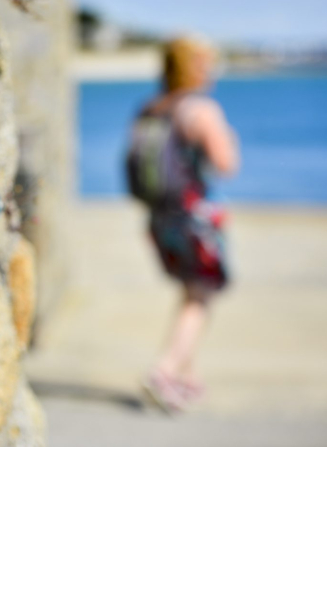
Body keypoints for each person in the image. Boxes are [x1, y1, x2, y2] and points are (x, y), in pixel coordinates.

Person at [126, 36, 240, 412]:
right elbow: (225, 163)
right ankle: (164, 371)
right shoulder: (200, 110)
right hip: (193, 216)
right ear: (195, 67)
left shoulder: (153, 108)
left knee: (189, 290)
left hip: (159, 216)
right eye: (208, 64)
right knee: (200, 294)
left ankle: (186, 378)